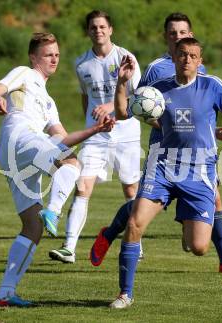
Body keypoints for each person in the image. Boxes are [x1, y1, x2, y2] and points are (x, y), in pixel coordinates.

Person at [90, 12, 222, 274]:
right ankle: (110, 233)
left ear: (191, 35)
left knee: (214, 200)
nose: (178, 37)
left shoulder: (198, 67)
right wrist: (169, 125)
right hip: (164, 150)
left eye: (183, 32)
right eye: (173, 33)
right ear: (166, 37)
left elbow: (198, 108)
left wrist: (212, 130)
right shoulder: (156, 69)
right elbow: (142, 109)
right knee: (150, 204)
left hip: (197, 154)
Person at [108, 38, 222, 309]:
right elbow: (121, 112)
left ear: (200, 61)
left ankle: (187, 225)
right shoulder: (156, 90)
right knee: (135, 224)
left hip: (199, 171)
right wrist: (122, 82)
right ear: (174, 57)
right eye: (182, 55)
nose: (186, 59)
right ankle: (124, 293)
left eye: (192, 56)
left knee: (199, 247)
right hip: (163, 166)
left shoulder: (212, 86)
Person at [0, 32, 114, 307]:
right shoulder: (24, 74)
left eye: (56, 53)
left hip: (15, 155)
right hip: (20, 137)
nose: (54, 58)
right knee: (70, 163)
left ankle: (5, 293)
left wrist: (95, 129)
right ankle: (53, 210)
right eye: (47, 54)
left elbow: (62, 139)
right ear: (34, 58)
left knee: (32, 227)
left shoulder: (49, 102)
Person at [48, 10, 142, 263]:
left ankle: (136, 243)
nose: (98, 31)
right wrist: (91, 124)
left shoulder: (127, 58)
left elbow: (140, 98)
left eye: (102, 27)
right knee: (82, 185)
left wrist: (111, 107)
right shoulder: (82, 64)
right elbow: (85, 97)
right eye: (93, 27)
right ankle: (69, 248)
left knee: (131, 189)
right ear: (88, 31)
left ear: (110, 29)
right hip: (97, 137)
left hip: (127, 135)